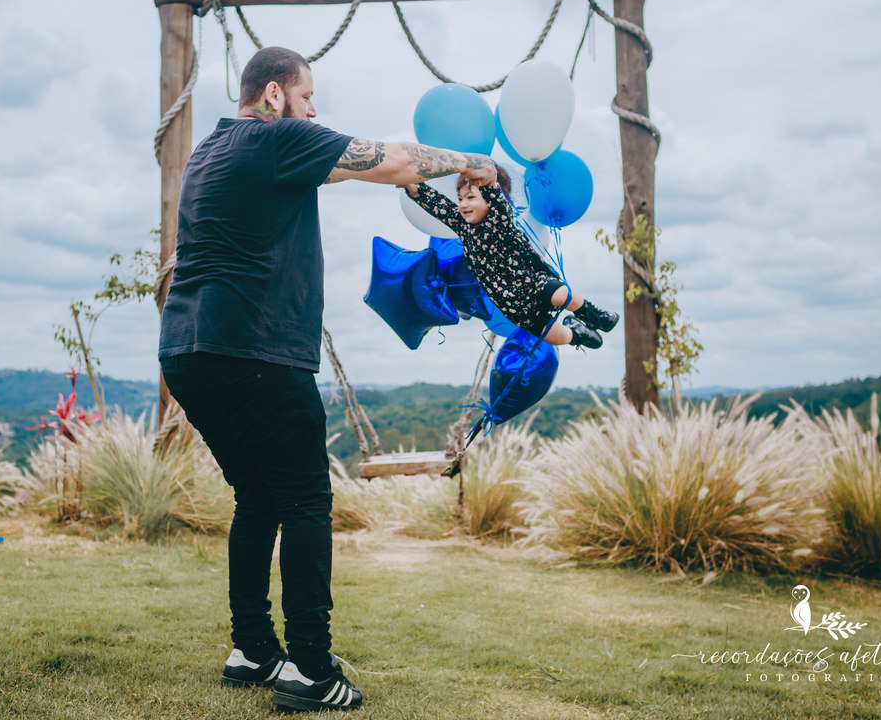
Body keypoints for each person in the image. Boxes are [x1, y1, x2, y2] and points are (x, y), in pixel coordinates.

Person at [158, 46, 496, 713]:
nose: (316, 110)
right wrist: (473, 164)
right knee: (307, 502)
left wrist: (391, 176)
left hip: (189, 354)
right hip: (255, 355)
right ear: (277, 95)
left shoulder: (213, 152)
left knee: (257, 498)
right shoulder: (277, 137)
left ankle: (252, 648)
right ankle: (311, 667)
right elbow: (393, 157)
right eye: (308, 96)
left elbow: (353, 170)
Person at [400, 168, 619, 348]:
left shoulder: (500, 220)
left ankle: (593, 315)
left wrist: (488, 183)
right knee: (555, 337)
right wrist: (415, 190)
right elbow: (441, 208)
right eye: (460, 199)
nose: (463, 204)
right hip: (514, 306)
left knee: (561, 293)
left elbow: (498, 202)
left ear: (490, 198)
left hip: (533, 284)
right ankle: (577, 333)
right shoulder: (464, 228)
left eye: (470, 197)